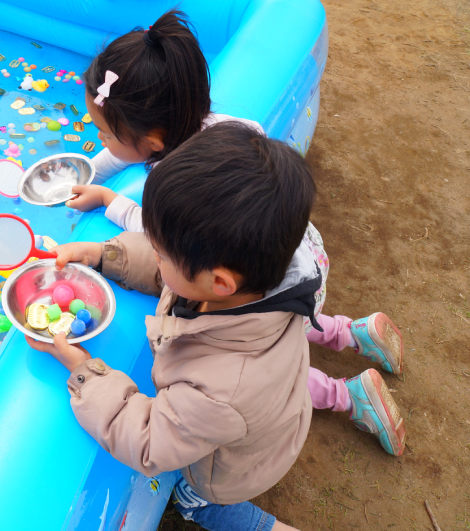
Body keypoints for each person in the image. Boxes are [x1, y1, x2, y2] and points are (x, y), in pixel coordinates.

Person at [27, 124, 405, 531]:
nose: (155, 256)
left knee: (199, 500)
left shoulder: (220, 387)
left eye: (159, 251)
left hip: (234, 469)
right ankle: (348, 379)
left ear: (219, 282)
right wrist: (103, 254)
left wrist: (85, 371)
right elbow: (170, 275)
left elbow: (150, 441)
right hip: (273, 411)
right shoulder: (259, 279)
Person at [68, 9, 406, 425]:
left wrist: (107, 199)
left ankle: (348, 396)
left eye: (103, 134)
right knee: (296, 318)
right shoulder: (223, 128)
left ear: (152, 142)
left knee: (270, 371)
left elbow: (154, 232)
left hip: (263, 294)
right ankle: (351, 334)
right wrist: (89, 171)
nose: (99, 139)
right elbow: (125, 151)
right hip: (301, 258)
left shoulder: (180, 187)